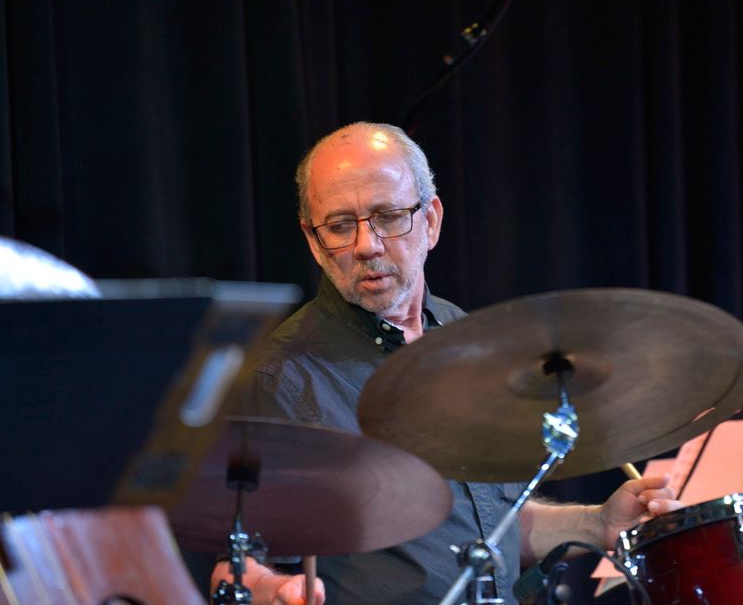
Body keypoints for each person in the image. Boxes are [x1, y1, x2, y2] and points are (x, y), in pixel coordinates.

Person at [210, 122, 680, 604]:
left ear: (431, 221)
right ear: (313, 240)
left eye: (388, 216)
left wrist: (597, 524)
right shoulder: (280, 378)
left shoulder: (465, 337)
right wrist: (273, 590)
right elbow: (238, 564)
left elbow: (490, 524)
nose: (366, 245)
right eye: (340, 225)